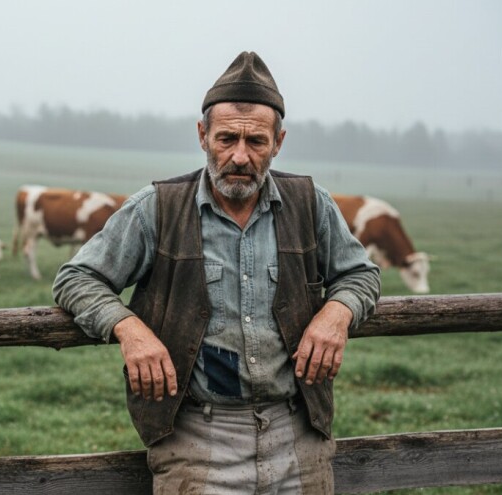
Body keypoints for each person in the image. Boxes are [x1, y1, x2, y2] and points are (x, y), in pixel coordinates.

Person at [53, 51, 380, 494]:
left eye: (256, 142)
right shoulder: (158, 208)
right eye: (226, 139)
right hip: (196, 437)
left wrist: (337, 313)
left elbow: (361, 275)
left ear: (278, 142)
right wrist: (128, 329)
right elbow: (76, 279)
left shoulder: (309, 203)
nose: (240, 156)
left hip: (298, 430)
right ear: (202, 135)